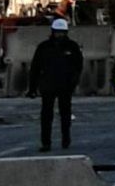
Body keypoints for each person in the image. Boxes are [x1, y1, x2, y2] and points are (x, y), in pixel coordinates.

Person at [31, 12, 83, 152]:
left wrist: (73, 82)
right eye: (57, 32)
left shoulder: (72, 47)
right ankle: (46, 142)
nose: (59, 35)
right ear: (53, 32)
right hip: (48, 85)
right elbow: (35, 67)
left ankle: (66, 138)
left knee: (65, 113)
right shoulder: (44, 47)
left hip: (65, 86)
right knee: (46, 115)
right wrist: (32, 87)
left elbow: (78, 65)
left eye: (61, 32)